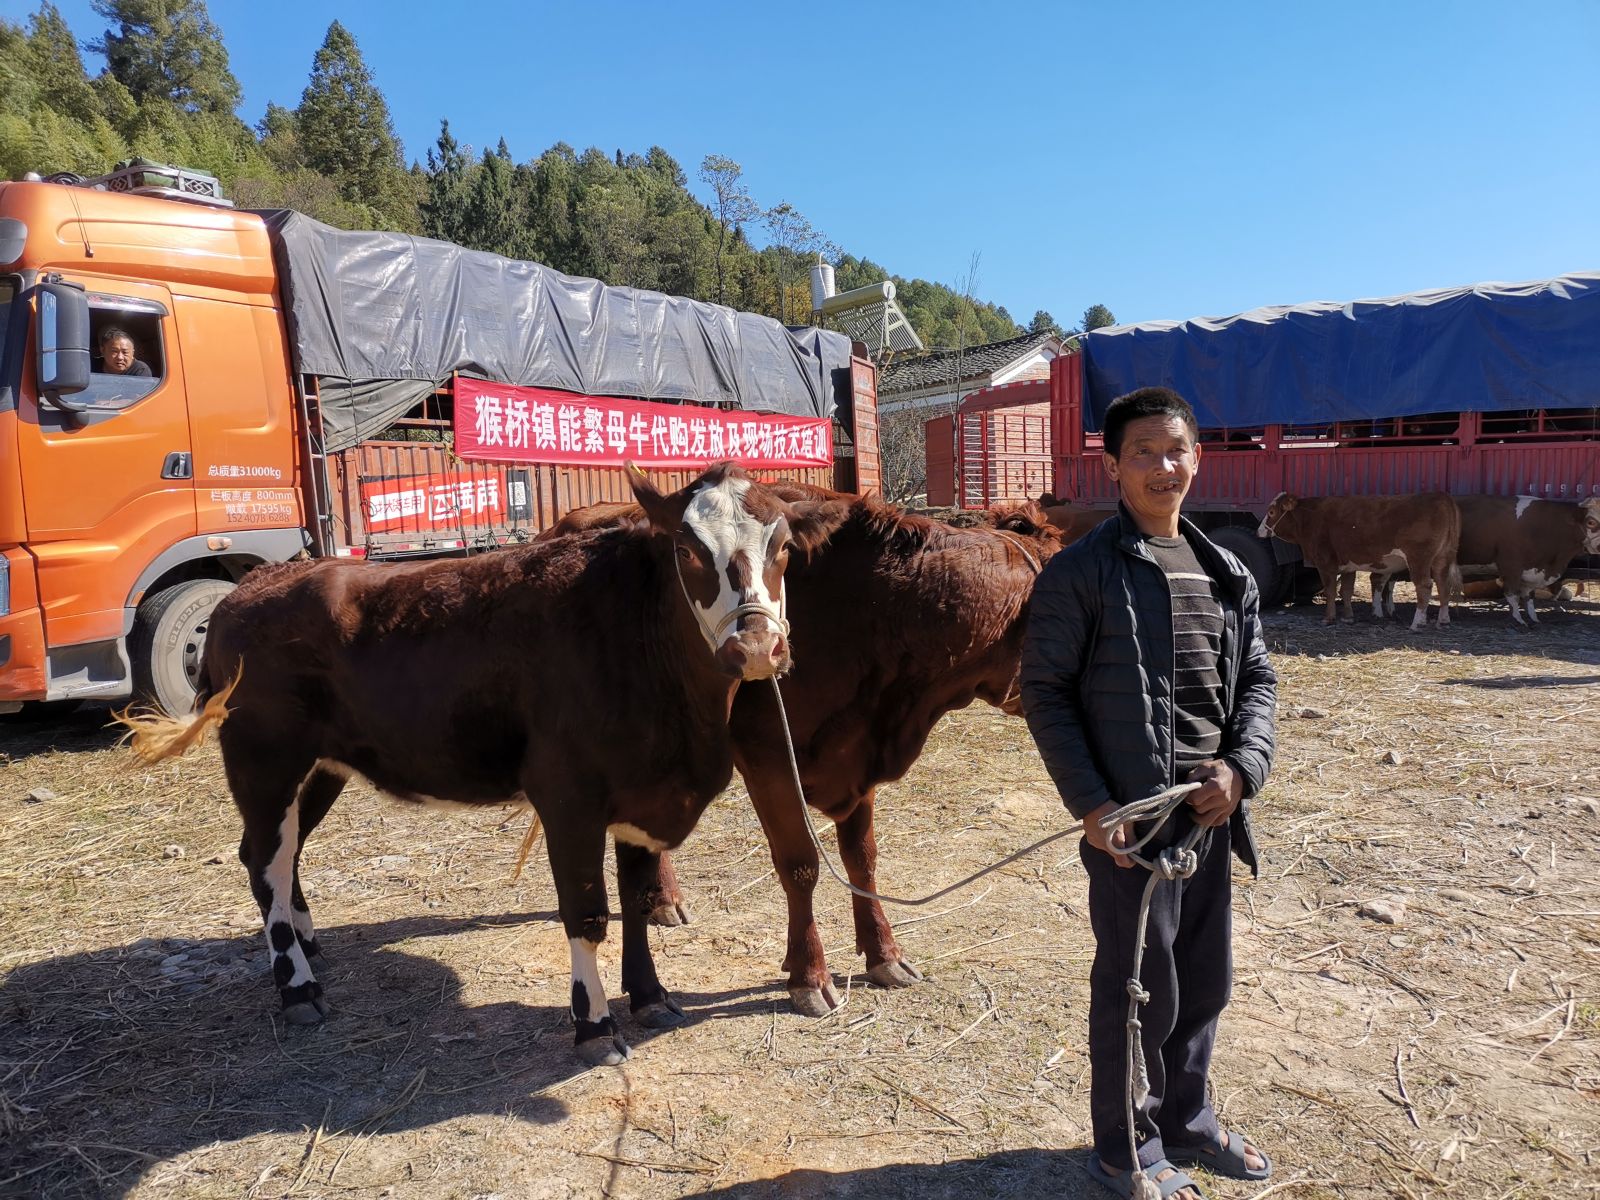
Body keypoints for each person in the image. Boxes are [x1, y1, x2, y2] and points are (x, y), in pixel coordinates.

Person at [1020, 387, 1278, 1199]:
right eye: (1143, 453)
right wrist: (1093, 806)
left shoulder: (1226, 571)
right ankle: (1126, 1149)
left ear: (1197, 457)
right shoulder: (1082, 572)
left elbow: (1258, 683)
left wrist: (1242, 770)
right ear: (1113, 466)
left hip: (1210, 820)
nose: (1163, 467)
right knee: (1138, 992)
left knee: (1205, 983)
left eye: (1176, 450)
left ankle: (1188, 1120)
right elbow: (1045, 692)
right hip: (1132, 828)